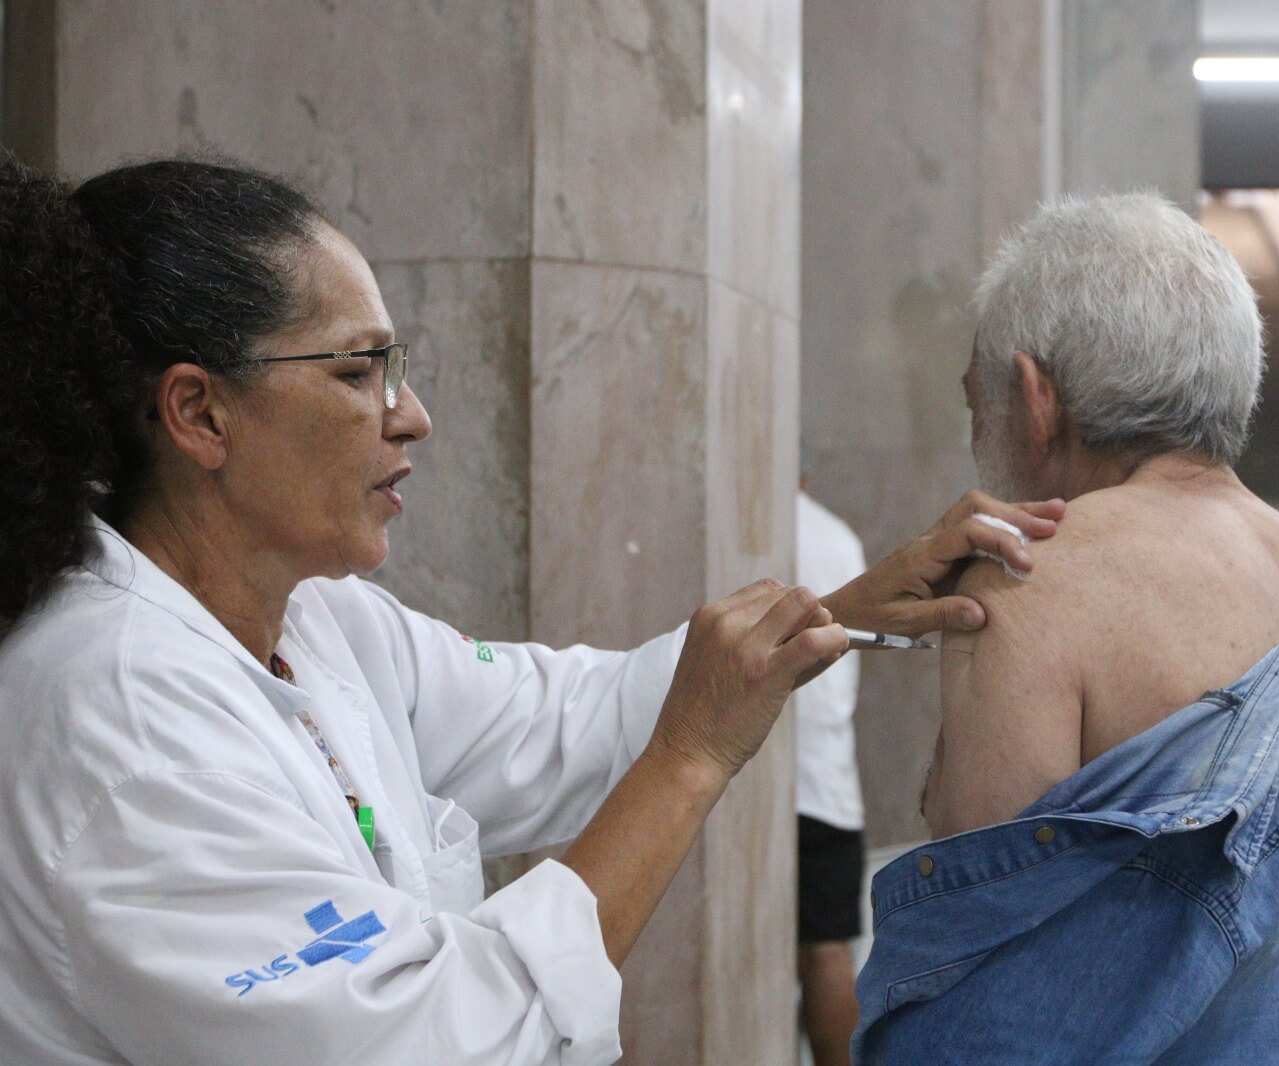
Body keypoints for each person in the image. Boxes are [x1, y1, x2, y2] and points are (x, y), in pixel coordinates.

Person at [0, 153, 1066, 1066]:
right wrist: (689, 759)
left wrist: (817, 617)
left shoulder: (324, 622)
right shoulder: (115, 711)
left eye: (397, 367)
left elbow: (561, 716)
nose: (409, 415)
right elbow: (442, 1041)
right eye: (359, 369)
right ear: (198, 411)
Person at [854, 194, 1279, 1064]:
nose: (982, 432)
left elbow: (981, 1010)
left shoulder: (1030, 585)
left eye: (980, 400)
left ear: (1039, 400)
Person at [792, 483, 868, 1066]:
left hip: (771, 776)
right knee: (829, 952)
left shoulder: (766, 530)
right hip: (830, 782)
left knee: (817, 957)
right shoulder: (838, 536)